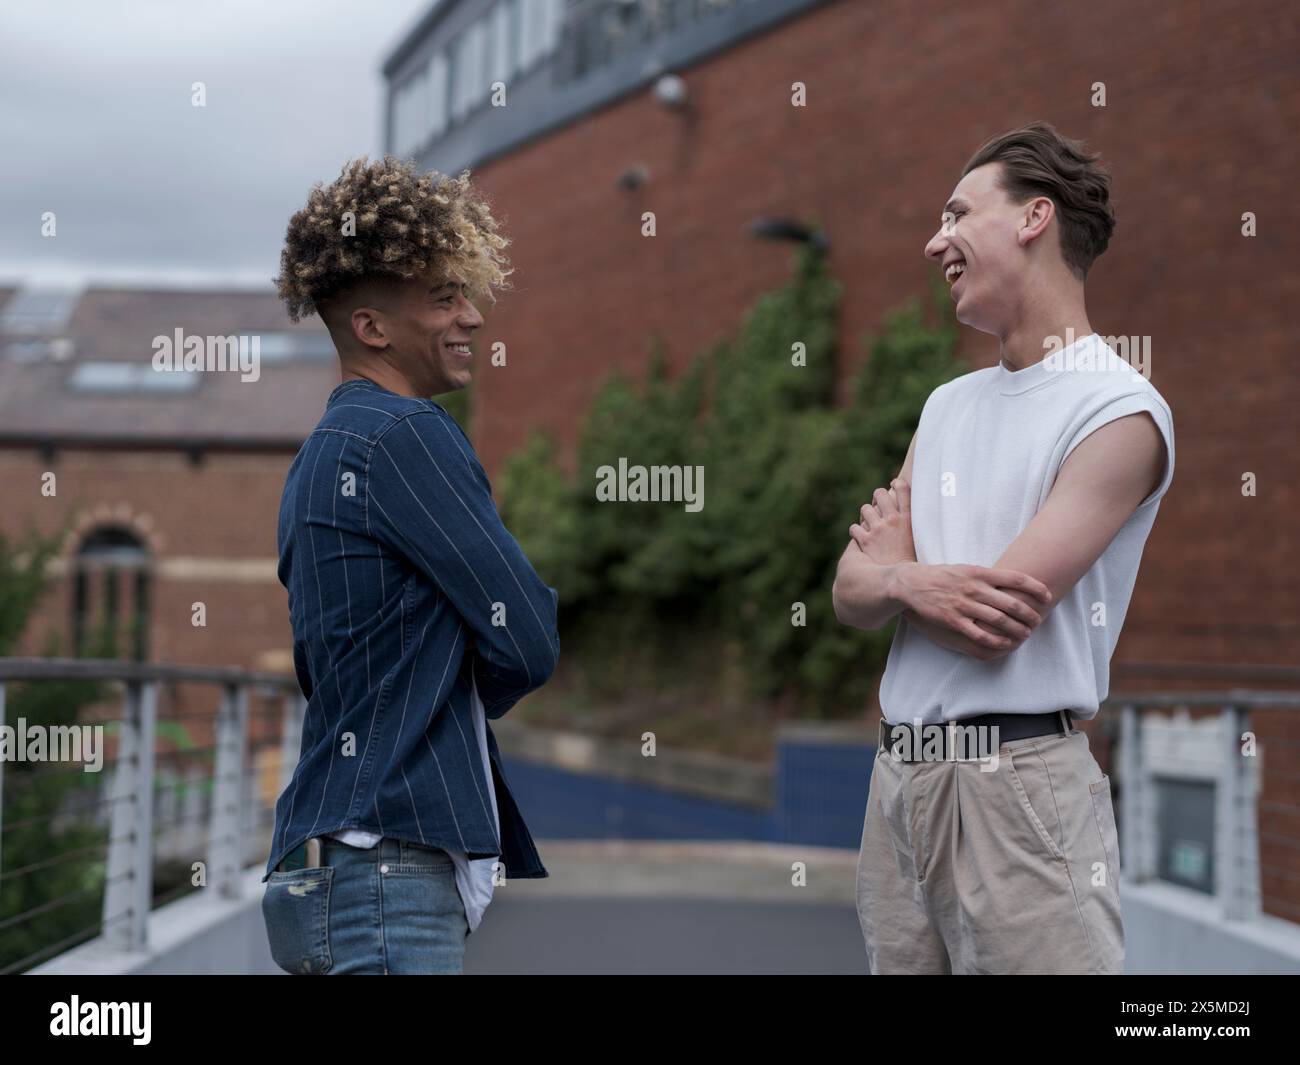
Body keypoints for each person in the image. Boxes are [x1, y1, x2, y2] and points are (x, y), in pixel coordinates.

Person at [832, 122, 1173, 974]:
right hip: (900, 782)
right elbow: (847, 591)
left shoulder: (1119, 409)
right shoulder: (946, 404)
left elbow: (992, 619)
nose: (933, 240)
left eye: (957, 214)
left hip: (1018, 787)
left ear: (1033, 219)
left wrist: (894, 575)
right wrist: (911, 583)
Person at [260, 156, 559, 974]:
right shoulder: (407, 435)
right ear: (373, 328)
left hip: (320, 864)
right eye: (443, 296)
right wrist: (460, 684)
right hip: (389, 869)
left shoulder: (319, 455)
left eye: (466, 291)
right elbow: (526, 636)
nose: (472, 315)